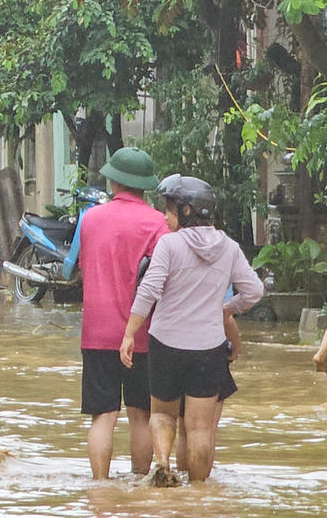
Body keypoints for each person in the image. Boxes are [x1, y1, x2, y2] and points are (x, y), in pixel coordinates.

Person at [120, 176, 264, 484]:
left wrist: (130, 333)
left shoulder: (169, 245)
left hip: (165, 344)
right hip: (208, 348)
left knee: (161, 414)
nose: (164, 217)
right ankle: (198, 493)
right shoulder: (229, 247)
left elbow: (148, 291)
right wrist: (228, 308)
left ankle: (161, 463)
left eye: (169, 210)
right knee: (199, 428)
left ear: (186, 211)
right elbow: (254, 290)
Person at [55, 148, 169, 479]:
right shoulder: (158, 223)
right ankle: (137, 481)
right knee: (141, 413)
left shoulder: (91, 219)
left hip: (97, 332)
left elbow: (76, 266)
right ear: (145, 185)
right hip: (144, 334)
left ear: (114, 181)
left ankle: (100, 485)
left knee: (102, 415)